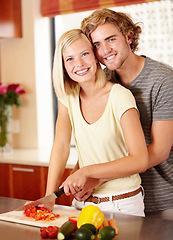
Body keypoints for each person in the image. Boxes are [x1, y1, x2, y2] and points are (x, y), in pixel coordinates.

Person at [74, 8, 173, 219]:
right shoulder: (103, 82)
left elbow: (160, 150)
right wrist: (80, 174)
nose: (105, 50)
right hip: (117, 198)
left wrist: (96, 177)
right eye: (96, 45)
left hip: (162, 200)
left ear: (129, 36)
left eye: (111, 39)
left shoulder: (163, 80)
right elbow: (94, 142)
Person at [45, 28, 149, 217]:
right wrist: (49, 197)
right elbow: (61, 147)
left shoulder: (120, 96)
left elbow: (140, 159)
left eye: (85, 54)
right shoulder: (68, 98)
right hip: (82, 205)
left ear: (95, 57)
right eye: (70, 59)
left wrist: (86, 172)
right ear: (63, 67)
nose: (79, 64)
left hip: (122, 204)